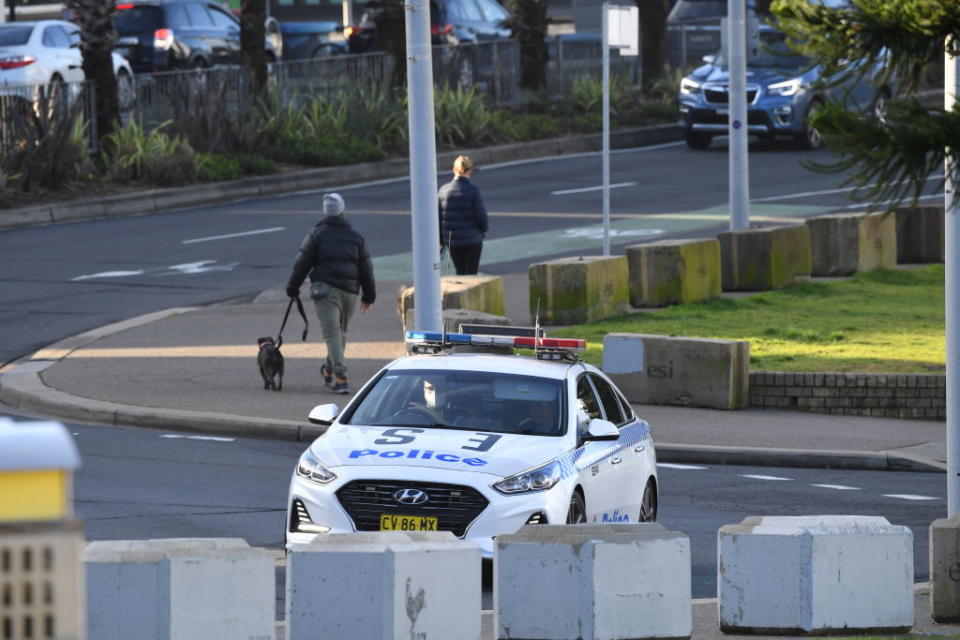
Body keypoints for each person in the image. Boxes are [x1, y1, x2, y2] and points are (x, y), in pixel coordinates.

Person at [286, 193, 376, 395]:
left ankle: (341, 376)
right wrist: (369, 296)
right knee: (340, 333)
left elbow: (301, 264)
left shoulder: (316, 235)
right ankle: (329, 369)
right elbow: (366, 269)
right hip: (350, 293)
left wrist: (292, 289)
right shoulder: (356, 237)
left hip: (325, 291)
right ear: (342, 211)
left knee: (333, 334)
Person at [438, 155, 488, 275]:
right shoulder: (472, 191)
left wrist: (441, 240)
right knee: (471, 273)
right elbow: (481, 216)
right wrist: (482, 230)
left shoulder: (443, 190)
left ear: (453, 170)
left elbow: (439, 218)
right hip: (472, 239)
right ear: (469, 171)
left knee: (460, 272)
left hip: (452, 241)